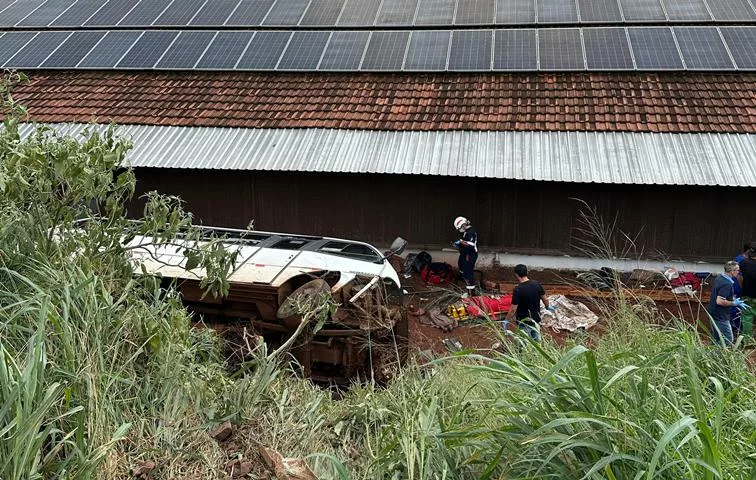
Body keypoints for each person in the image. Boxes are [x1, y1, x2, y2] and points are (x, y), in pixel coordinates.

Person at [503, 264, 555, 342]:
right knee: (537, 342)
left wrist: (506, 320)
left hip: (524, 321)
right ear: (527, 272)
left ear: (516, 275)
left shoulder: (518, 289)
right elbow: (545, 299)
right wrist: (547, 306)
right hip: (536, 319)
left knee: (524, 343)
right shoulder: (536, 284)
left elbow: (513, 309)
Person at [707, 261, 747, 346]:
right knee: (728, 339)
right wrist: (733, 303)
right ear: (732, 271)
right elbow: (720, 301)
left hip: (712, 311)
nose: (738, 272)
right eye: (737, 270)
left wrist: (734, 299)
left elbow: (721, 293)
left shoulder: (720, 277)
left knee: (717, 337)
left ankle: (710, 356)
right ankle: (715, 354)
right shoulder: (727, 284)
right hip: (720, 315)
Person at [452, 216, 478, 297]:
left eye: (459, 228)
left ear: (463, 225)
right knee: (461, 266)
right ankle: (464, 281)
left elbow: (470, 245)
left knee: (468, 273)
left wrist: (459, 242)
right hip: (464, 253)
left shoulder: (471, 232)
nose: (459, 230)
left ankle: (471, 293)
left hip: (470, 254)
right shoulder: (466, 231)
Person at [738, 242, 756, 339]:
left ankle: (747, 341)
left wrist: (743, 287)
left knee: (747, 318)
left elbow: (739, 277)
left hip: (747, 294)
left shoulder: (743, 262)